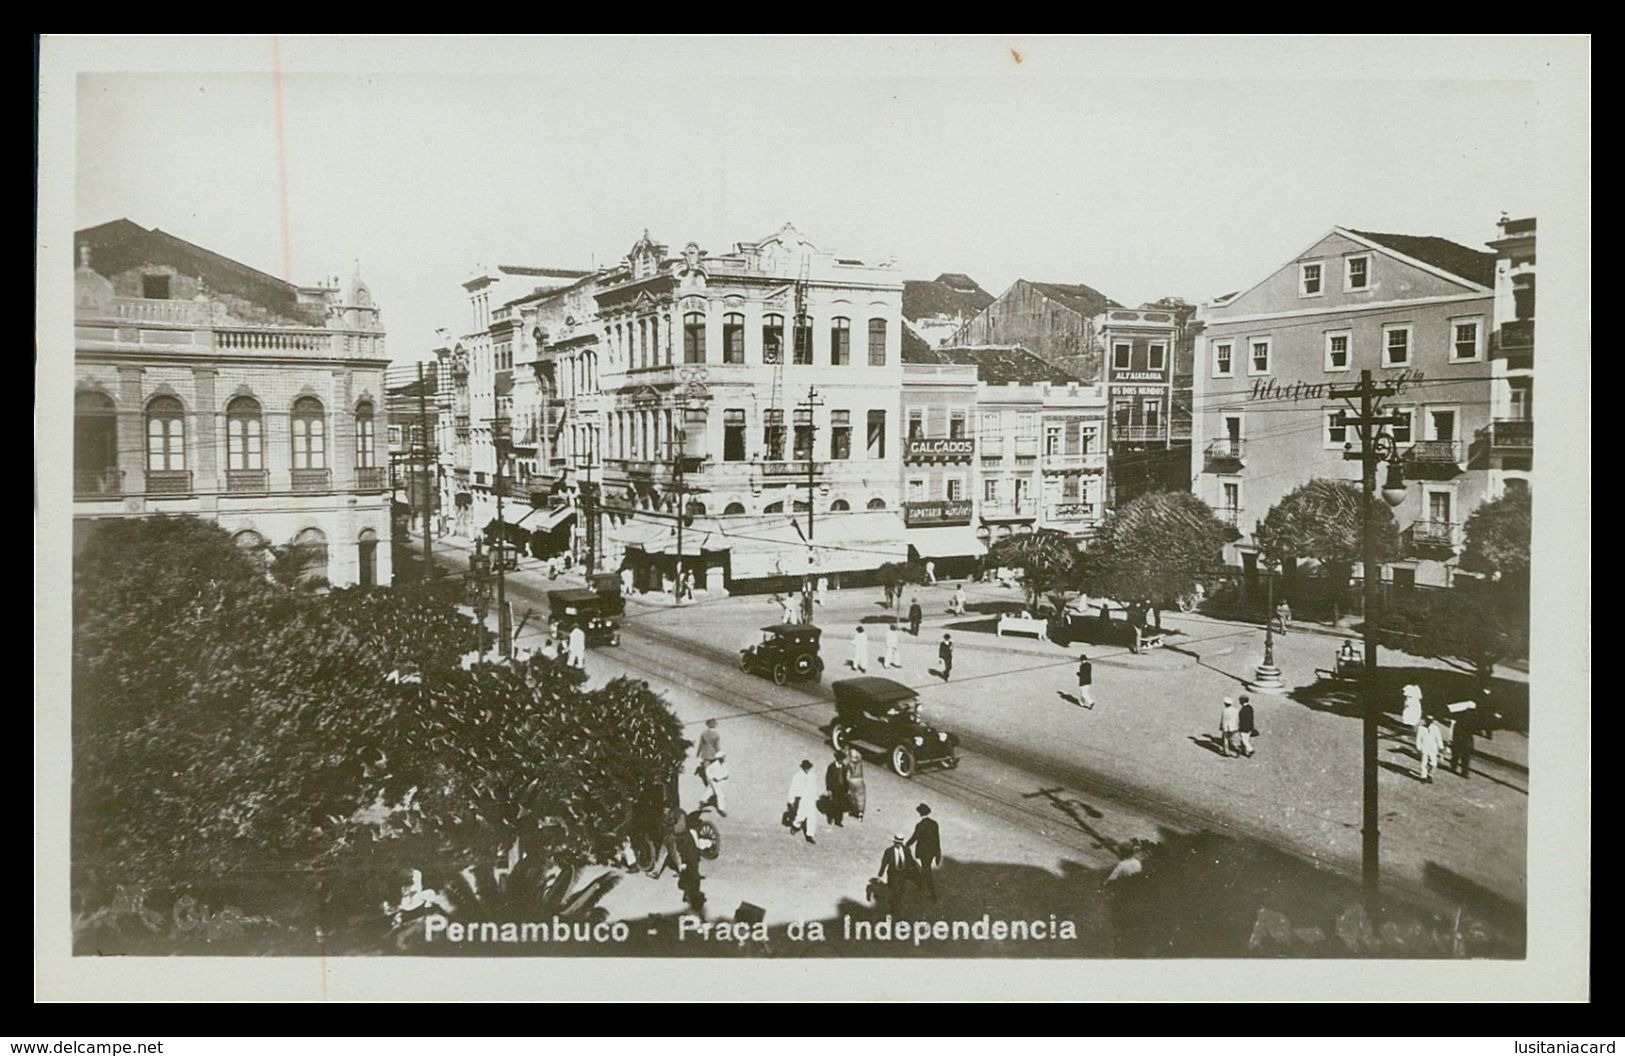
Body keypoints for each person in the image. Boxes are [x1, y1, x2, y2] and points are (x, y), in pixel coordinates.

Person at [906, 803, 942, 901]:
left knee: (926, 870)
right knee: (926, 867)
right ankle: (920, 886)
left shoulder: (920, 825)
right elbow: (937, 839)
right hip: (932, 851)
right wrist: (938, 852)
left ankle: (933, 894)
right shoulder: (934, 823)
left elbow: (914, 837)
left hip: (923, 852)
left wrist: (906, 845)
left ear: (920, 813)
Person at [876, 833, 916, 916]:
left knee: (901, 890)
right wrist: (880, 875)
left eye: (900, 843)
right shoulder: (889, 851)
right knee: (895, 891)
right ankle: (894, 908)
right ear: (894, 842)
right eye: (897, 842)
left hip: (903, 874)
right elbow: (884, 863)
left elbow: (911, 861)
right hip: (893, 874)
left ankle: (895, 904)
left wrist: (914, 871)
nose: (898, 844)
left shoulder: (906, 850)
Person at [786, 759, 818, 843]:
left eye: (808, 768)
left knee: (812, 817)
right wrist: (791, 800)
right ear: (803, 768)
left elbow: (814, 787)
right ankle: (795, 825)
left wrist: (815, 797)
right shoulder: (797, 776)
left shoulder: (812, 776)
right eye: (806, 768)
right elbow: (793, 788)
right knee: (801, 815)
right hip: (801, 799)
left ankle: (810, 835)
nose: (807, 769)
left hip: (810, 798)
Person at [1449, 705, 1477, 780]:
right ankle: (1463, 772)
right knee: (1463, 757)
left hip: (1462, 739)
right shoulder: (1472, 720)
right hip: (1463, 740)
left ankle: (1455, 768)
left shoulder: (1463, 718)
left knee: (1457, 755)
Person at [824, 751, 850, 827]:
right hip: (834, 789)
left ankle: (838, 821)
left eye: (842, 760)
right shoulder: (831, 767)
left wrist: (847, 789)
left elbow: (845, 779)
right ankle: (830, 817)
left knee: (841, 805)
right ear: (837, 759)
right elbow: (828, 778)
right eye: (840, 760)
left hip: (841, 789)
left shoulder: (844, 767)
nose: (842, 761)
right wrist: (828, 789)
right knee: (833, 804)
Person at [1416, 714, 1444, 783]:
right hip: (1424, 747)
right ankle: (1423, 777)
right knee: (1424, 763)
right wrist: (1418, 747)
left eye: (1430, 721)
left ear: (1432, 721)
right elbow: (1418, 739)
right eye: (1427, 720)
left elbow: (1439, 738)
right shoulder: (1421, 728)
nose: (1429, 722)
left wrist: (1441, 747)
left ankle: (1430, 775)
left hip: (1433, 748)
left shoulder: (1435, 728)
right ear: (1425, 720)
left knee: (1433, 763)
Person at [844, 746, 867, 822]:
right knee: (860, 797)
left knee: (851, 796)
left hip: (851, 780)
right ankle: (860, 813)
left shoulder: (849, 763)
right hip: (859, 780)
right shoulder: (859, 763)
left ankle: (850, 810)